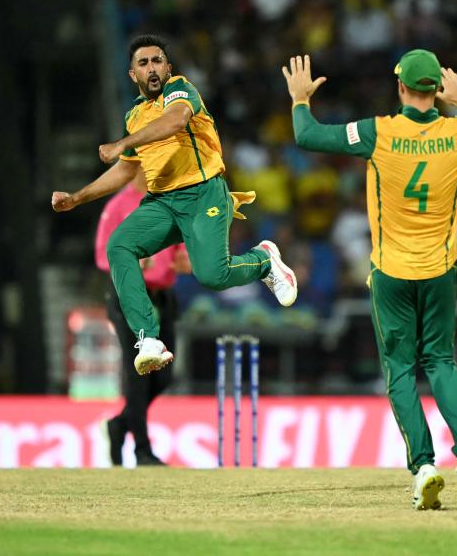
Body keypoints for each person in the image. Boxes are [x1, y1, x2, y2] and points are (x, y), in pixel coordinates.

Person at [282, 51, 457, 509]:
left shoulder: (377, 132)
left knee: (401, 369)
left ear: (400, 87)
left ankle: (423, 466)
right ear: (434, 90)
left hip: (391, 273)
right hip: (440, 271)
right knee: (441, 361)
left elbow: (306, 136)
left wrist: (300, 100)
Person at [51, 34, 298, 375]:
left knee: (212, 275)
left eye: (157, 61)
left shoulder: (181, 90)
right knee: (119, 245)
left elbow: (175, 121)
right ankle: (148, 339)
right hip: (163, 201)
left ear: (168, 67)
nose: (151, 68)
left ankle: (264, 260)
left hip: (204, 193)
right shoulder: (134, 116)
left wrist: (121, 142)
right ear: (132, 75)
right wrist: (77, 198)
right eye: (143, 63)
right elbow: (125, 170)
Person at [97, 171, 187, 467]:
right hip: (130, 296)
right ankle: (142, 450)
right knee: (138, 375)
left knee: (164, 376)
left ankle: (121, 425)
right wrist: (132, 260)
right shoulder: (119, 206)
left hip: (163, 296)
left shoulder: (167, 201)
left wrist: (189, 258)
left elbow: (182, 252)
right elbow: (102, 256)